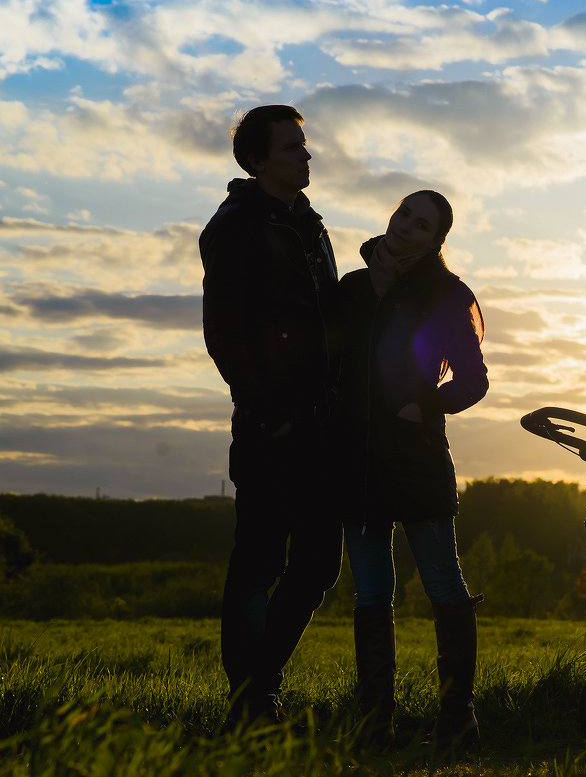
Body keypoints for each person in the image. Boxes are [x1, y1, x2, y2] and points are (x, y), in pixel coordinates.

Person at [199, 104, 343, 728]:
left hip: (320, 423)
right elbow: (225, 334)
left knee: (317, 564)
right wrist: (268, 410)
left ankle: (258, 693)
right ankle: (251, 703)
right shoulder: (233, 227)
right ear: (258, 160)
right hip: (270, 424)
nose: (306, 156)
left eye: (304, 145)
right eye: (291, 148)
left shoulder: (311, 225)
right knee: (259, 562)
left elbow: (330, 319)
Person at [338, 189, 488, 746]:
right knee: (371, 593)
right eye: (403, 215)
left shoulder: (446, 295)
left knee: (443, 584)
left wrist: (421, 406)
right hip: (355, 460)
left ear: (436, 240)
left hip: (417, 458)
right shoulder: (351, 289)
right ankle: (374, 722)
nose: (405, 227)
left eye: (421, 225)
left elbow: (473, 381)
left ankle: (457, 720)